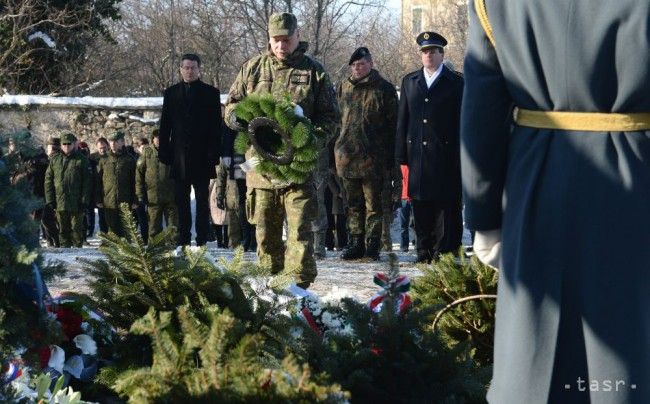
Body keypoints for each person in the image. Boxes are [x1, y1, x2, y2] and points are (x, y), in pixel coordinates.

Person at [462, 1, 650, 403]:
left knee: (534, 350)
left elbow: (481, 109)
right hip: (635, 183)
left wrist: (484, 213)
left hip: (536, 178)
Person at [225, 12, 339, 288]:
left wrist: (310, 138)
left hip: (299, 171)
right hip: (261, 169)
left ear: (297, 36)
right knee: (265, 234)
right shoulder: (252, 69)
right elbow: (231, 106)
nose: (281, 46)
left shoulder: (315, 72)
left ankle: (299, 292)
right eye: (275, 40)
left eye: (286, 40)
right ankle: (270, 290)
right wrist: (236, 118)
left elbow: (331, 117)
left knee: (300, 233)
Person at [395, 31, 463, 264]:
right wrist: (400, 154)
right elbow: (402, 120)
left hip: (445, 156)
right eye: (425, 52)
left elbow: (461, 121)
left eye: (433, 51)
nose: (429, 56)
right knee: (421, 206)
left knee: (444, 206)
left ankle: (443, 252)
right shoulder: (410, 81)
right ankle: (423, 251)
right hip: (418, 157)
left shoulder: (455, 82)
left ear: (442, 54)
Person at [335, 46, 398, 260]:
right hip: (346, 158)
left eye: (361, 64)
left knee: (374, 205)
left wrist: (391, 158)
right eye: (354, 65)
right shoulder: (343, 87)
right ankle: (355, 242)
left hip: (374, 159)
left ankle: (373, 244)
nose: (357, 69)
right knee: (352, 205)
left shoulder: (384, 89)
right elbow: (335, 121)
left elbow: (394, 126)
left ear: (370, 64)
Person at [158, 53, 221, 247]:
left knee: (202, 203)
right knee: (181, 203)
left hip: (203, 157)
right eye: (186, 67)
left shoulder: (211, 93)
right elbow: (165, 125)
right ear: (180, 69)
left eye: (193, 67)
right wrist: (165, 152)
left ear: (199, 69)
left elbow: (216, 127)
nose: (189, 71)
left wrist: (213, 154)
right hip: (179, 158)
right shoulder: (171, 93)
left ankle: (201, 240)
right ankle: (183, 240)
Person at [44, 133, 92, 248]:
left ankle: (77, 253)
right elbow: (48, 181)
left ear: (74, 144)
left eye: (68, 144)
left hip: (77, 203)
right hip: (60, 202)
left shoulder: (81, 160)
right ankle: (66, 254)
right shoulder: (55, 160)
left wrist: (84, 201)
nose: (66, 146)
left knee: (76, 230)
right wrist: (50, 200)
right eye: (64, 144)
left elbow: (87, 183)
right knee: (62, 230)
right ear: (60, 145)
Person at [136, 128, 177, 240]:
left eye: (161, 137)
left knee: (173, 228)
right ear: (152, 139)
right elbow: (139, 174)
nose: (159, 140)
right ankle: (155, 250)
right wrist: (140, 194)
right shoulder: (147, 152)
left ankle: (174, 250)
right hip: (153, 197)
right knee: (153, 228)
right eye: (156, 138)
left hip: (171, 196)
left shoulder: (173, 150)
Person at [96, 131, 137, 237]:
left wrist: (135, 200)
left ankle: (126, 252)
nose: (113, 143)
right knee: (112, 230)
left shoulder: (130, 160)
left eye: (116, 141)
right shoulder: (104, 159)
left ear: (122, 142)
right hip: (109, 201)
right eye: (111, 141)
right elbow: (98, 181)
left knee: (126, 230)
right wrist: (98, 199)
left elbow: (135, 182)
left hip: (126, 201)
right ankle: (113, 252)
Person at [42, 136, 61, 247]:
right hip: (46, 194)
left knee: (52, 220)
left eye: (54, 148)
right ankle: (50, 240)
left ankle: (56, 241)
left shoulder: (60, 160)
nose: (52, 151)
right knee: (47, 220)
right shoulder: (45, 160)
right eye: (51, 148)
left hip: (58, 194)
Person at [90, 137, 109, 234]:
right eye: (100, 148)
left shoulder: (112, 157)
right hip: (98, 190)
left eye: (104, 147)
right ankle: (105, 239)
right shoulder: (92, 158)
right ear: (97, 148)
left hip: (110, 190)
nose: (102, 150)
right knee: (102, 217)